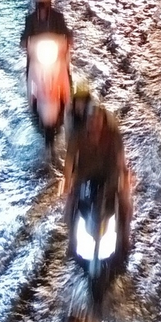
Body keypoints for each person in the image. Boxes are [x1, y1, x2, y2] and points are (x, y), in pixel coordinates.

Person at [64, 86, 132, 243]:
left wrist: (124, 178)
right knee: (70, 204)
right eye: (91, 120)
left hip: (110, 176)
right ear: (87, 122)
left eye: (97, 120)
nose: (94, 124)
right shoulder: (77, 136)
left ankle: (125, 235)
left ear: (103, 122)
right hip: (85, 177)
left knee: (124, 202)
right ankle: (71, 239)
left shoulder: (113, 136)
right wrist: (68, 181)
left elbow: (120, 160)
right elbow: (69, 160)